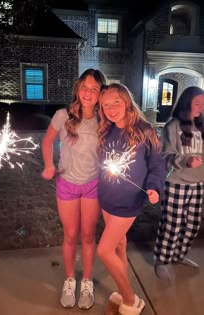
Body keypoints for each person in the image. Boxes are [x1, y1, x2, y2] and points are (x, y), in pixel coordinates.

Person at [96, 83, 166, 315]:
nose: (111, 108)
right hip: (106, 198)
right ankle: (121, 287)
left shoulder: (145, 130)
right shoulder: (106, 130)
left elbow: (157, 165)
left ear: (127, 101)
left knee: (104, 251)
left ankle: (130, 298)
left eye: (116, 101)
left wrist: (154, 187)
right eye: (105, 105)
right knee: (118, 246)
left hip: (128, 201)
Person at [41, 68, 106, 309]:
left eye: (94, 89)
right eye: (84, 87)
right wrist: (49, 164)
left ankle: (86, 281)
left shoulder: (104, 119)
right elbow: (47, 141)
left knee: (88, 236)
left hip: (93, 185)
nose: (88, 93)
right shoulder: (62, 115)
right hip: (66, 184)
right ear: (77, 88)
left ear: (101, 94)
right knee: (70, 235)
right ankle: (70, 279)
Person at [153, 86, 204, 280]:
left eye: (203, 104)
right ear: (186, 103)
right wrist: (185, 161)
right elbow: (164, 156)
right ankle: (162, 260)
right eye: (197, 104)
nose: (201, 108)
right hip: (177, 183)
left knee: (192, 225)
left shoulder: (202, 125)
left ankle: (178, 255)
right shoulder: (172, 126)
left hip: (198, 183)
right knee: (172, 225)